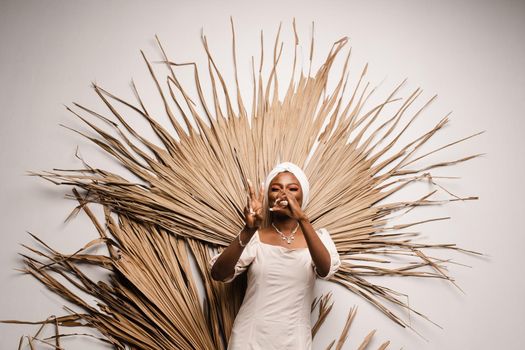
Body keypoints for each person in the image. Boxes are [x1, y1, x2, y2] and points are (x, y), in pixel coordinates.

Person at [209, 162, 341, 350]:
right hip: (249, 338)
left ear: (303, 196)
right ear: (268, 198)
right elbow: (218, 274)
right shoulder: (255, 239)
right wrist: (248, 230)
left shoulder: (317, 239)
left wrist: (302, 218)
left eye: (292, 188)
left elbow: (326, 269)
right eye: (275, 189)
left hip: (294, 341)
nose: (283, 193)